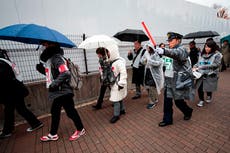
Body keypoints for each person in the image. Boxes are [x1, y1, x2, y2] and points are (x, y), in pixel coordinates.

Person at [36, 41, 85, 141]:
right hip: (60, 91)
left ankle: (80, 129)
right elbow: (54, 75)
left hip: (63, 91)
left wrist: (54, 84)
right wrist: (41, 69)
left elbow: (65, 73)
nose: (44, 47)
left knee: (70, 112)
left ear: (52, 45)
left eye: (46, 45)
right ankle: (53, 134)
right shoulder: (53, 58)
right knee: (56, 112)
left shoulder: (56, 58)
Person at [0, 49, 43, 139]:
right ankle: (35, 123)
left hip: (11, 92)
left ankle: (8, 130)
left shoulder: (1, 63)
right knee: (17, 109)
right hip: (16, 89)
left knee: (12, 110)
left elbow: (5, 80)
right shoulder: (6, 61)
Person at [155, 32, 194, 127]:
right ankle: (167, 119)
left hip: (177, 82)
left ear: (178, 40)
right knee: (167, 102)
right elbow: (167, 64)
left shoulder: (182, 50)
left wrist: (164, 51)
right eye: (168, 41)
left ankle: (188, 111)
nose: (169, 42)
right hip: (169, 81)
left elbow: (176, 54)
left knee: (178, 101)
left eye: (171, 40)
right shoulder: (170, 50)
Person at [193, 39, 222, 107]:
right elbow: (198, 63)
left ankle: (209, 95)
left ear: (213, 47)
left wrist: (202, 67)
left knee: (208, 88)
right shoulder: (201, 54)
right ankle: (201, 100)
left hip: (210, 75)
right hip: (200, 74)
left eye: (209, 47)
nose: (207, 49)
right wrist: (194, 66)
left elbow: (216, 65)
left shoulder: (217, 55)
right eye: (206, 47)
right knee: (200, 88)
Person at [105, 44, 127, 123]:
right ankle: (122, 110)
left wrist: (121, 83)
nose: (108, 54)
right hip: (115, 83)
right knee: (119, 97)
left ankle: (116, 115)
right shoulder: (112, 62)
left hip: (118, 83)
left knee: (115, 99)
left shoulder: (119, 62)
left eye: (108, 52)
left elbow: (123, 73)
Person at [140, 43, 164, 109]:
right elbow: (142, 61)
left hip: (155, 73)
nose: (147, 48)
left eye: (148, 47)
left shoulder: (156, 54)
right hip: (147, 72)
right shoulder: (146, 53)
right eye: (146, 47)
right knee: (148, 86)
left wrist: (150, 61)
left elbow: (159, 63)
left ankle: (152, 102)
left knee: (152, 87)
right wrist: (144, 61)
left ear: (151, 47)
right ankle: (155, 98)